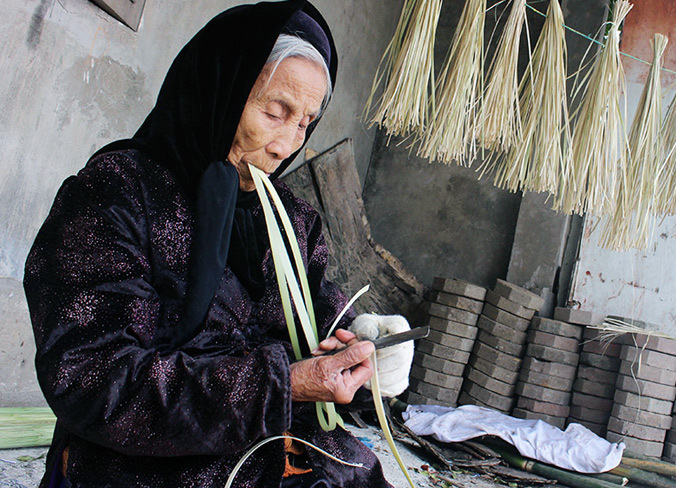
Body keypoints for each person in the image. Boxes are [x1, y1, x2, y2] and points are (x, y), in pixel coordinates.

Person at [24, 2, 411, 487]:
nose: (286, 144)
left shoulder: (293, 221)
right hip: (139, 468)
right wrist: (283, 385)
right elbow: (94, 379)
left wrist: (367, 344)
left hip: (283, 456)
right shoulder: (116, 194)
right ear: (221, 90)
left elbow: (319, 317)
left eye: (305, 123)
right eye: (275, 111)